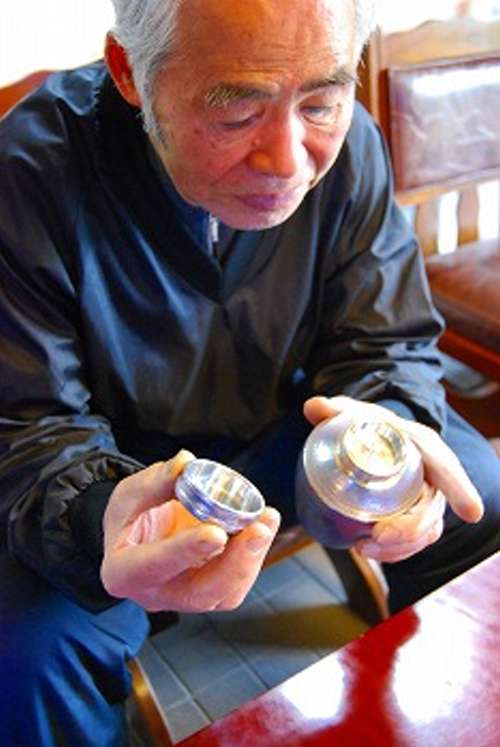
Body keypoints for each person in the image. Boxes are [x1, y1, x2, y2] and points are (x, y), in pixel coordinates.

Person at [0, 0, 498, 744]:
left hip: (286, 428)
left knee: (475, 496)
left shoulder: (351, 145)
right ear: (130, 72)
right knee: (26, 657)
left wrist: (388, 436)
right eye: (236, 114)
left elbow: (383, 338)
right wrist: (96, 514)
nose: (289, 162)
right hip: (115, 475)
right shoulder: (28, 173)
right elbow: (29, 422)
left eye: (321, 103)